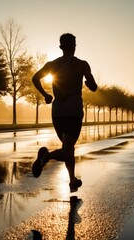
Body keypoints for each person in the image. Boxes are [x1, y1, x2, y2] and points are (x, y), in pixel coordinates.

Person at [31, 33, 98, 192]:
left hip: (57, 113)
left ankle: (72, 180)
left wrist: (46, 95)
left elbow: (35, 78)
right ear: (74, 46)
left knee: (68, 148)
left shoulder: (52, 64)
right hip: (73, 112)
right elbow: (94, 87)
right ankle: (46, 157)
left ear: (61, 47)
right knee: (67, 149)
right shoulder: (81, 64)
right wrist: (89, 84)